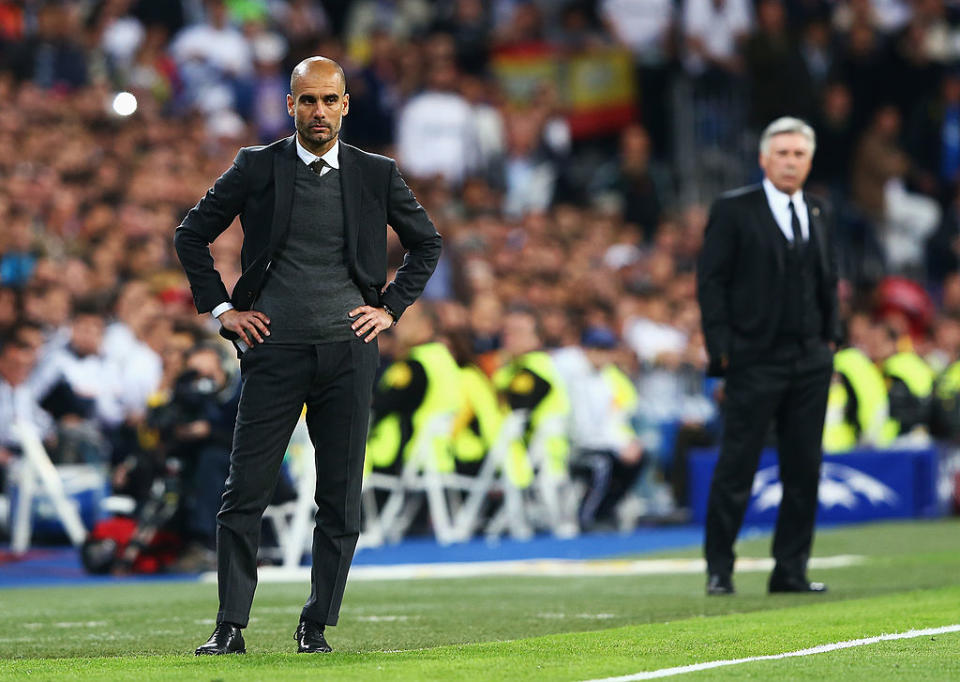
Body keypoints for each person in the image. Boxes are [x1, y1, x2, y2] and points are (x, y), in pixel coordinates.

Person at [174, 56, 441, 655]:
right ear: (289, 105)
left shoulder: (377, 173)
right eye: (307, 101)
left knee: (341, 497)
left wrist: (391, 309)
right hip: (273, 348)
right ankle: (230, 625)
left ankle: (316, 623)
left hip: (349, 351)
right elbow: (191, 233)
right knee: (245, 490)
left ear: (346, 104)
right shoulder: (256, 165)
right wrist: (222, 311)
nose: (318, 111)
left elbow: (427, 243)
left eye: (329, 100)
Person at [696, 117, 840, 596]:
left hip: (810, 360)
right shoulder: (734, 209)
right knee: (737, 465)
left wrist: (831, 338)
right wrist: (721, 353)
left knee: (804, 467)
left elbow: (827, 279)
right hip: (753, 361)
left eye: (799, 154)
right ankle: (720, 569)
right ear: (763, 158)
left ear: (810, 160)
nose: (790, 162)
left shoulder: (819, 210)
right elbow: (711, 284)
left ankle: (790, 569)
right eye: (782, 153)